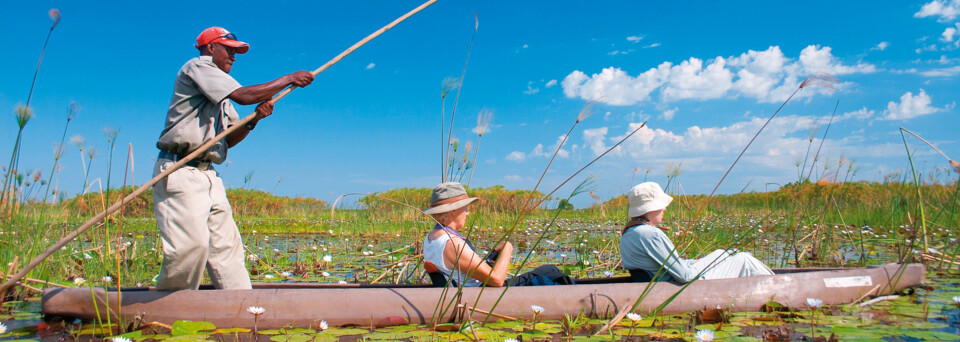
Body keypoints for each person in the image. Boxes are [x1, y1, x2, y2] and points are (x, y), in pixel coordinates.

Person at [152, 27, 314, 290]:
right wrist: (289, 78)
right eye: (230, 50)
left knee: (226, 249)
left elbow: (228, 139)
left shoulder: (221, 95)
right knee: (190, 248)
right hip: (180, 168)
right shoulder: (198, 67)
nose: (234, 57)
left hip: (208, 174)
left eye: (236, 51)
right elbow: (244, 96)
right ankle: (173, 304)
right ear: (211, 48)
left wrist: (255, 120)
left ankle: (241, 305)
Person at [421, 182, 573, 287]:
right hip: (482, 294)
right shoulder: (453, 244)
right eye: (465, 208)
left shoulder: (431, 238)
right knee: (550, 271)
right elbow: (496, 280)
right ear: (453, 210)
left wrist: (491, 258)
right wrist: (507, 249)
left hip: (473, 289)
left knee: (548, 271)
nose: (467, 213)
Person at [619, 182, 774, 283]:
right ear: (651, 208)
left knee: (721, 252)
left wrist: (694, 262)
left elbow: (661, 266)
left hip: (662, 282)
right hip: (682, 288)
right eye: (662, 205)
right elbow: (686, 276)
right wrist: (698, 265)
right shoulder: (651, 234)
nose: (665, 208)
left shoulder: (629, 233)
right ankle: (778, 288)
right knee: (744, 259)